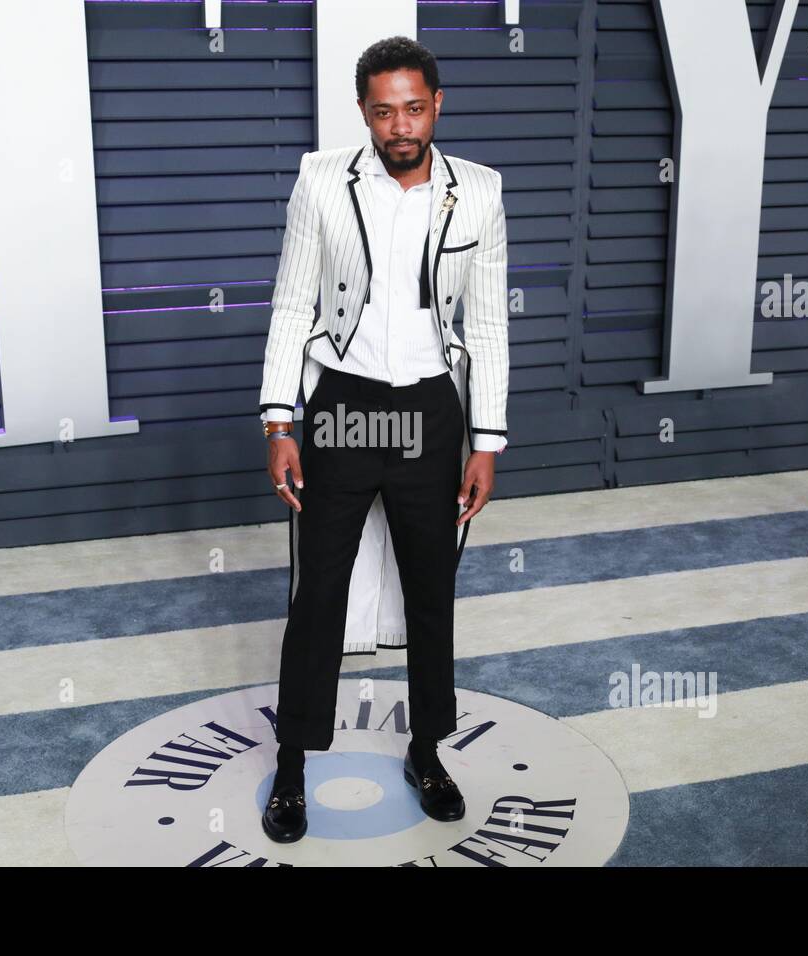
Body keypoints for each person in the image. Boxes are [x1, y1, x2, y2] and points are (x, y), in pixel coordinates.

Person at [257, 36, 510, 843]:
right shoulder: (321, 181)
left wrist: (486, 443)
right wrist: (279, 422)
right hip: (343, 408)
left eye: (414, 107)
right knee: (318, 596)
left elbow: (489, 324)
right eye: (383, 111)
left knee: (432, 592)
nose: (400, 125)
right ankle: (291, 764)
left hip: (431, 414)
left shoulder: (479, 191)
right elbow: (291, 303)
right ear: (363, 111)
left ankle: (426, 752)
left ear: (438, 104)